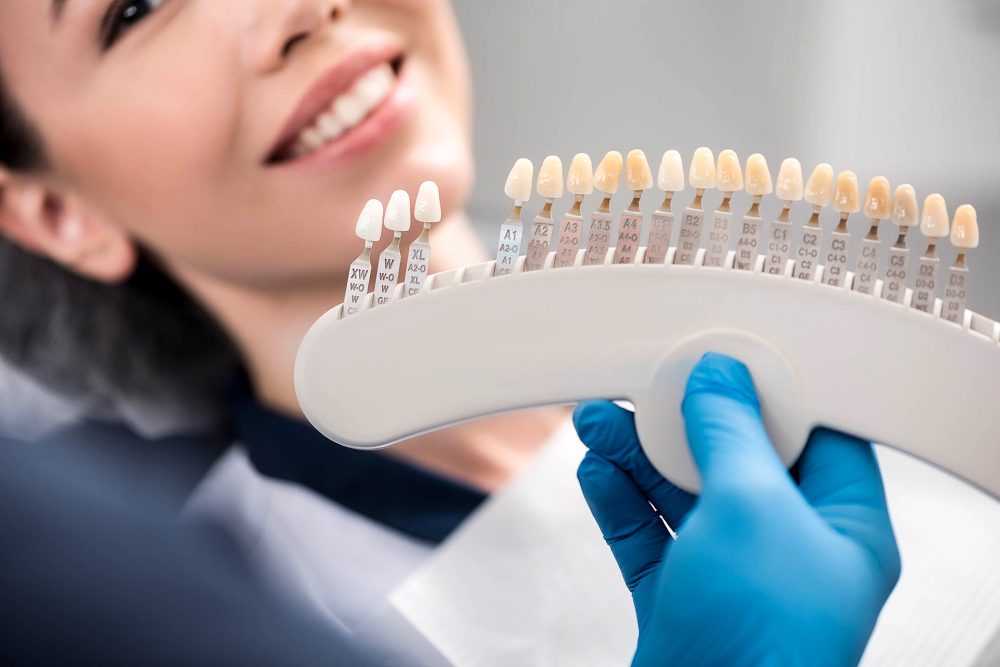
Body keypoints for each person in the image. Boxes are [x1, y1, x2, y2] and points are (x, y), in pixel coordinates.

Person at [0, 1, 996, 664]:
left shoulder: (834, 339)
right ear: (55, 215)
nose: (297, 10)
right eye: (133, 8)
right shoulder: (207, 618)